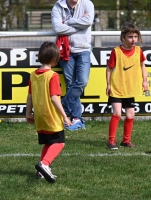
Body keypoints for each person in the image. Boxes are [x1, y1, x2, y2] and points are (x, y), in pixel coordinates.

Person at [26, 41, 72, 183]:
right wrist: (65, 116)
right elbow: (54, 98)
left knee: (48, 142)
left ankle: (40, 173)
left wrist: (28, 113)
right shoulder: (52, 75)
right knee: (59, 142)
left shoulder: (34, 75)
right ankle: (44, 164)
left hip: (40, 115)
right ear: (55, 59)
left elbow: (30, 96)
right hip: (51, 115)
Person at [51, 0, 94, 131]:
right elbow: (58, 28)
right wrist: (79, 24)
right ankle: (76, 118)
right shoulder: (57, 6)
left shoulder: (88, 4)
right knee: (70, 84)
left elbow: (88, 22)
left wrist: (68, 22)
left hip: (84, 50)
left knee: (82, 82)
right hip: (65, 51)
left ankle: (61, 106)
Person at [105, 23, 148, 150]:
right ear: (123, 38)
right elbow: (109, 68)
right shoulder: (116, 52)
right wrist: (108, 84)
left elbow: (142, 65)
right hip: (117, 88)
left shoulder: (139, 51)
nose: (133, 39)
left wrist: (145, 81)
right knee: (117, 113)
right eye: (130, 37)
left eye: (136, 36)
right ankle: (111, 141)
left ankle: (126, 141)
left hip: (129, 89)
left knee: (130, 115)